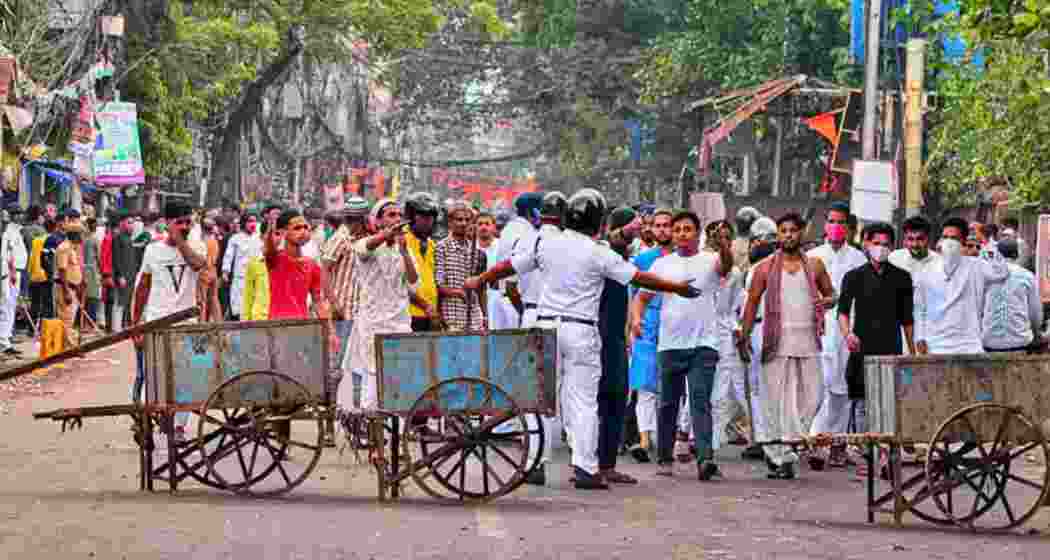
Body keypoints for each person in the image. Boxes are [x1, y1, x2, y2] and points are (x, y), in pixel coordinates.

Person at [465, 188, 702, 490]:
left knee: (542, 398)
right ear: (598, 222)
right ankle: (585, 468)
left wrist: (480, 280)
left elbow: (509, 266)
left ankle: (535, 462)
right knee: (583, 401)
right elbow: (638, 277)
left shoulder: (545, 243)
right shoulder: (598, 252)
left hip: (545, 326)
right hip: (580, 330)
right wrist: (675, 287)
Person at [632, 211, 733, 480]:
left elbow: (726, 266)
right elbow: (642, 297)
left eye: (687, 229)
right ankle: (664, 458)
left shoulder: (710, 260)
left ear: (697, 233)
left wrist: (723, 245)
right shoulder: (662, 265)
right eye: (677, 230)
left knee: (701, 401)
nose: (681, 234)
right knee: (668, 403)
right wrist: (636, 319)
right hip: (670, 344)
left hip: (704, 343)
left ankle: (705, 459)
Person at [739, 212, 835, 480]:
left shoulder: (815, 265)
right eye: (783, 231)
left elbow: (832, 295)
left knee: (814, 395)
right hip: (775, 341)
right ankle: (779, 456)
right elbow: (751, 305)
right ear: (778, 235)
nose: (789, 235)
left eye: (793, 230)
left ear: (802, 233)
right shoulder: (764, 268)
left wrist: (827, 302)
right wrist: (743, 337)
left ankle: (791, 443)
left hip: (808, 340)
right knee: (775, 401)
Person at [129, 202, 208, 436]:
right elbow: (143, 287)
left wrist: (180, 240)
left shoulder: (197, 247)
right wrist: (135, 325)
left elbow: (196, 264)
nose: (184, 226)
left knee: (189, 377)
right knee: (153, 376)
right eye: (179, 222)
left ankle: (179, 426)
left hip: (187, 324)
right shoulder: (153, 250)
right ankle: (146, 420)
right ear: (167, 222)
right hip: (157, 322)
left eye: (188, 222)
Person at [338, 199, 418, 413]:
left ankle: (397, 429)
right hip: (373, 321)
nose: (397, 219)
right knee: (372, 374)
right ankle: (370, 426)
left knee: (399, 372)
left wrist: (404, 251)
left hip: (400, 320)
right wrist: (388, 235)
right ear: (378, 220)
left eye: (398, 215)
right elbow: (365, 249)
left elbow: (412, 279)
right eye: (391, 215)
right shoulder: (365, 244)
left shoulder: (404, 248)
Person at [838, 222, 915, 441]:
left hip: (891, 347)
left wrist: (912, 353)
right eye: (876, 243)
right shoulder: (853, 276)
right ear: (866, 244)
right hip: (862, 347)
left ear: (892, 247)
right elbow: (842, 312)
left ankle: (885, 451)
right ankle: (866, 451)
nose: (881, 248)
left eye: (886, 244)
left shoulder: (902, 278)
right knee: (862, 402)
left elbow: (907, 319)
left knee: (889, 402)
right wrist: (847, 335)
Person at [805, 202, 867, 470]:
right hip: (818, 326)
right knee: (820, 385)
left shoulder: (859, 258)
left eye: (841, 223)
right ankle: (817, 442)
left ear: (850, 229)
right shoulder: (812, 256)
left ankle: (838, 443)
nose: (835, 227)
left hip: (847, 328)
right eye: (831, 221)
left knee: (842, 387)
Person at [596, 207, 643, 485]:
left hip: (616, 337)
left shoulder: (623, 259)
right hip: (601, 336)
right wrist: (625, 232)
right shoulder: (602, 252)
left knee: (616, 399)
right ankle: (598, 463)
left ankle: (605, 462)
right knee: (607, 399)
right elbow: (614, 241)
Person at [914, 217, 1008, 355]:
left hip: (969, 346)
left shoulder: (976, 266)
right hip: (935, 345)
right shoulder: (926, 270)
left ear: (963, 241)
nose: (949, 242)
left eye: (954, 238)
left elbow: (1001, 273)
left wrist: (987, 242)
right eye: (945, 237)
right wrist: (920, 337)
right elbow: (919, 307)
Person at [627, 207, 674, 463]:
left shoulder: (684, 259)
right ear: (650, 229)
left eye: (667, 225)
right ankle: (644, 439)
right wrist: (630, 327)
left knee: (671, 384)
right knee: (644, 384)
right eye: (658, 225)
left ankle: (674, 436)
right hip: (646, 324)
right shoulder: (642, 260)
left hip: (676, 325)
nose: (663, 230)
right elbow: (632, 297)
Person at [981, 238, 1042, 353]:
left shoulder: (986, 275)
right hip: (1020, 343)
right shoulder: (1027, 276)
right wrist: (1036, 333)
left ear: (996, 254)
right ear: (1017, 255)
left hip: (990, 344)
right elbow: (1035, 314)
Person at [494, 192, 544, 326]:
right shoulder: (527, 232)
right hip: (517, 302)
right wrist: (523, 312)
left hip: (505, 300)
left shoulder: (510, 228)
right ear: (531, 211)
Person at [402, 192, 441, 331]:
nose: (427, 220)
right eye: (422, 215)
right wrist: (424, 305)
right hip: (408, 314)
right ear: (411, 216)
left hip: (430, 315)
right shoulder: (401, 240)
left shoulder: (432, 245)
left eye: (430, 216)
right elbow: (399, 285)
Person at [222, 213, 262, 321]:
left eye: (254, 221)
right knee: (238, 308)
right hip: (240, 279)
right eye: (249, 221)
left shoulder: (258, 239)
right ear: (244, 223)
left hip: (255, 278)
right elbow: (228, 256)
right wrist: (225, 272)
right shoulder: (235, 239)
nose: (252, 224)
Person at [0, 207, 27, 356]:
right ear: (13, 216)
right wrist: (11, 273)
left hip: (16, 273)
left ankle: (7, 338)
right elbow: (7, 256)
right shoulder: (8, 234)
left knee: (11, 306)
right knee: (6, 307)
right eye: (18, 214)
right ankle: (4, 342)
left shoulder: (16, 232)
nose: (21, 217)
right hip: (10, 274)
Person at [54, 221, 86, 347]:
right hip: (65, 288)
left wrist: (82, 282)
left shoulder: (74, 248)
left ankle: (68, 345)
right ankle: (71, 347)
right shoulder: (64, 248)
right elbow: (62, 270)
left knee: (70, 319)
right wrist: (67, 291)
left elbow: (75, 268)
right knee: (66, 319)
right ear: (74, 235)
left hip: (74, 288)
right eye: (80, 234)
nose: (82, 237)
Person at [111, 211, 137, 332]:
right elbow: (116, 259)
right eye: (129, 223)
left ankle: (125, 326)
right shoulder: (118, 238)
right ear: (122, 224)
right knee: (119, 304)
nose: (132, 226)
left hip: (131, 276)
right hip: (123, 277)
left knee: (127, 303)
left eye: (133, 223)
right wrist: (120, 275)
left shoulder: (129, 238)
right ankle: (116, 329)